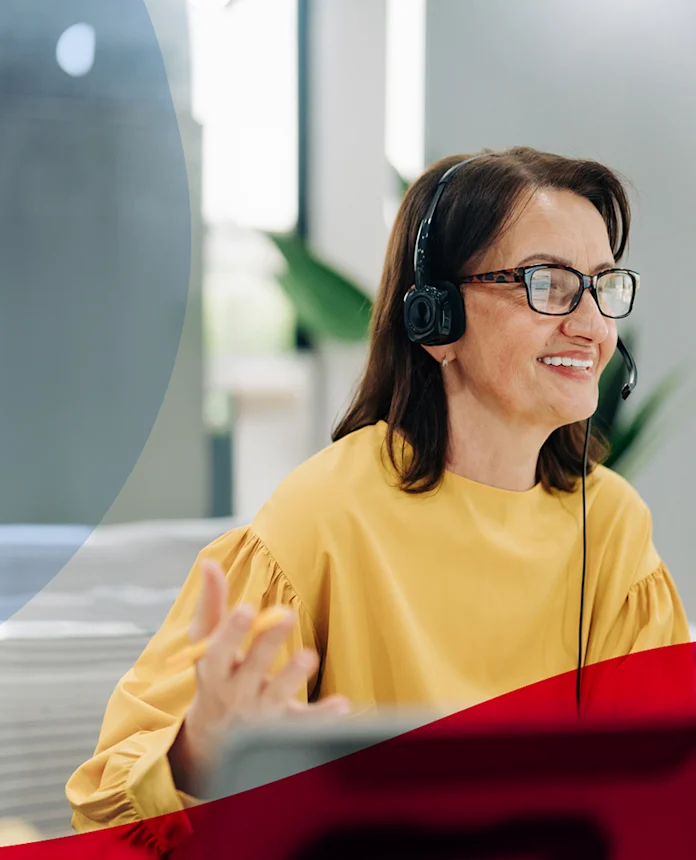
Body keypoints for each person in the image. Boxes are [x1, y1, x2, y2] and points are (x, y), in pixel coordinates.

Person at [65, 146, 691, 853]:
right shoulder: (322, 516)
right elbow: (108, 812)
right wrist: (200, 756)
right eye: (548, 284)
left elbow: (661, 802)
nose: (592, 326)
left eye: (603, 286)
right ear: (437, 318)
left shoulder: (610, 526)